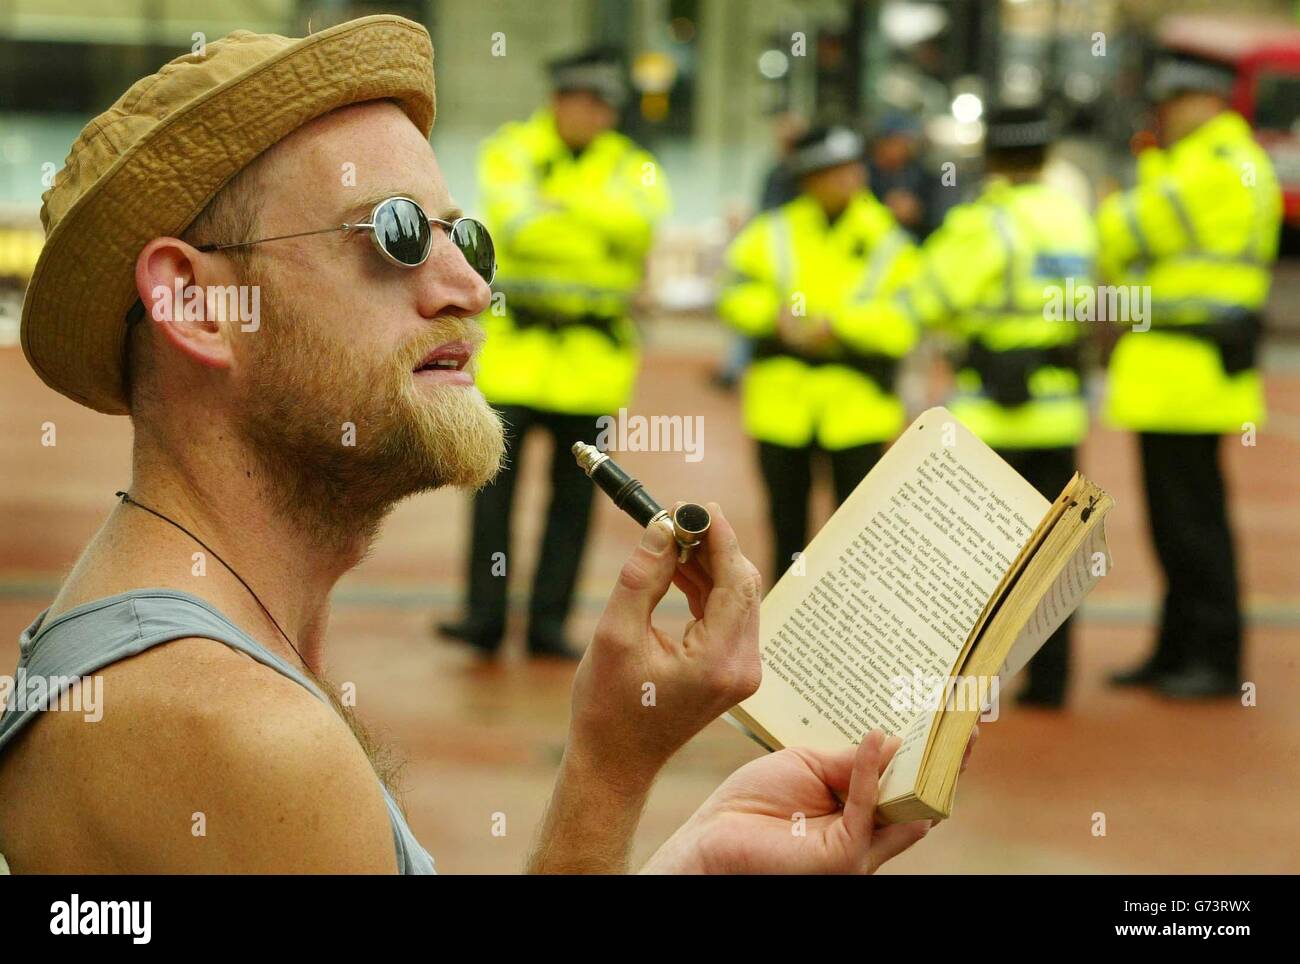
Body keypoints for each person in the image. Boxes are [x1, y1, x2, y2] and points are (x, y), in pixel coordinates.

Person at [0, 16, 964, 874]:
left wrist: (677, 840)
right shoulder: (227, 732)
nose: (468, 286)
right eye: (398, 231)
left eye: (473, 240)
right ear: (198, 303)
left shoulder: (195, 646)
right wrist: (613, 767)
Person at [439, 47, 670, 659]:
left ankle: (548, 625)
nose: (594, 114)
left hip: (593, 367)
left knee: (574, 504)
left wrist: (560, 208)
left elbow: (642, 226)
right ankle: (483, 616)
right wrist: (594, 223)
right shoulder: (512, 148)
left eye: (604, 105)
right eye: (583, 102)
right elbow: (513, 224)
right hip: (517, 358)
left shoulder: (635, 164)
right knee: (492, 491)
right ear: (558, 102)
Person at [888, 106, 1098, 708]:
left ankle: (974, 689)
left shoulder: (983, 221)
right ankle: (1051, 680)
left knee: (977, 557)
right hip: (1058, 410)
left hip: (989, 418)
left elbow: (929, 299)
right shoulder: (1073, 219)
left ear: (992, 158)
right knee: (1054, 553)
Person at [1100, 59, 1281, 699]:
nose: (1165, 114)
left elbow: (1120, 230)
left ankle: (1212, 657)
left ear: (1206, 100)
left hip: (1188, 374)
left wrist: (1129, 195)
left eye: (1174, 101)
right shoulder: (1210, 158)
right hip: (1180, 373)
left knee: (1193, 523)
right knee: (1179, 522)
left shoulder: (1211, 164)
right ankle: (1178, 647)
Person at [718, 125, 920, 581]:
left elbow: (904, 324)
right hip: (781, 402)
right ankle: (785, 642)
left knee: (858, 539)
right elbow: (732, 294)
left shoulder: (889, 240)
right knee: (786, 532)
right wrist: (775, 318)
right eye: (829, 173)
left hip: (858, 408)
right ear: (807, 179)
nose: (844, 181)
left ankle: (849, 637)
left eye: (850, 170)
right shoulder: (772, 231)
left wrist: (838, 325)